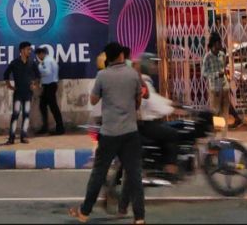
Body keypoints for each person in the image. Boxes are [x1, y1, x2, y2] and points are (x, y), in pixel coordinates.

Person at [71, 43, 144, 225]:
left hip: (109, 133)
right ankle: (139, 218)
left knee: (99, 174)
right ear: (121, 55)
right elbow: (138, 102)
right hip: (130, 132)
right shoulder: (133, 74)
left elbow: (94, 99)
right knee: (134, 176)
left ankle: (84, 212)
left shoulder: (102, 75)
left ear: (107, 58)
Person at [136, 54, 181, 176]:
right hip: (146, 123)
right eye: (154, 64)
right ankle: (170, 166)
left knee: (174, 127)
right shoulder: (143, 82)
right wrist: (171, 109)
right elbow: (151, 102)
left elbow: (155, 98)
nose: (156, 67)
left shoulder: (146, 82)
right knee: (172, 134)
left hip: (148, 121)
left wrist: (171, 103)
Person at [3, 41, 38, 144]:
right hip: (18, 93)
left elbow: (38, 76)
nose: (30, 51)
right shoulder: (14, 63)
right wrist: (9, 85)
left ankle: (24, 136)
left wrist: (34, 85)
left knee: (26, 115)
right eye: (28, 49)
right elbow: (6, 74)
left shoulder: (32, 63)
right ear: (22, 50)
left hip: (28, 94)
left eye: (30, 49)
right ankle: (11, 138)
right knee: (15, 115)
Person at [202, 32, 240, 125]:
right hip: (214, 87)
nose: (221, 45)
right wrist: (216, 75)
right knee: (216, 108)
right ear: (214, 44)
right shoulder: (207, 57)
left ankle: (231, 121)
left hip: (223, 85)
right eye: (219, 43)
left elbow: (223, 68)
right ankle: (220, 124)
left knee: (225, 104)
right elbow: (204, 73)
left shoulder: (222, 55)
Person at [36, 44, 64, 135]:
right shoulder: (50, 60)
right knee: (43, 106)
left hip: (50, 86)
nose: (38, 58)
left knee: (53, 107)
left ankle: (59, 129)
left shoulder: (46, 61)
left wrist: (38, 68)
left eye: (38, 55)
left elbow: (47, 72)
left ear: (41, 54)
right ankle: (46, 127)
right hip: (49, 86)